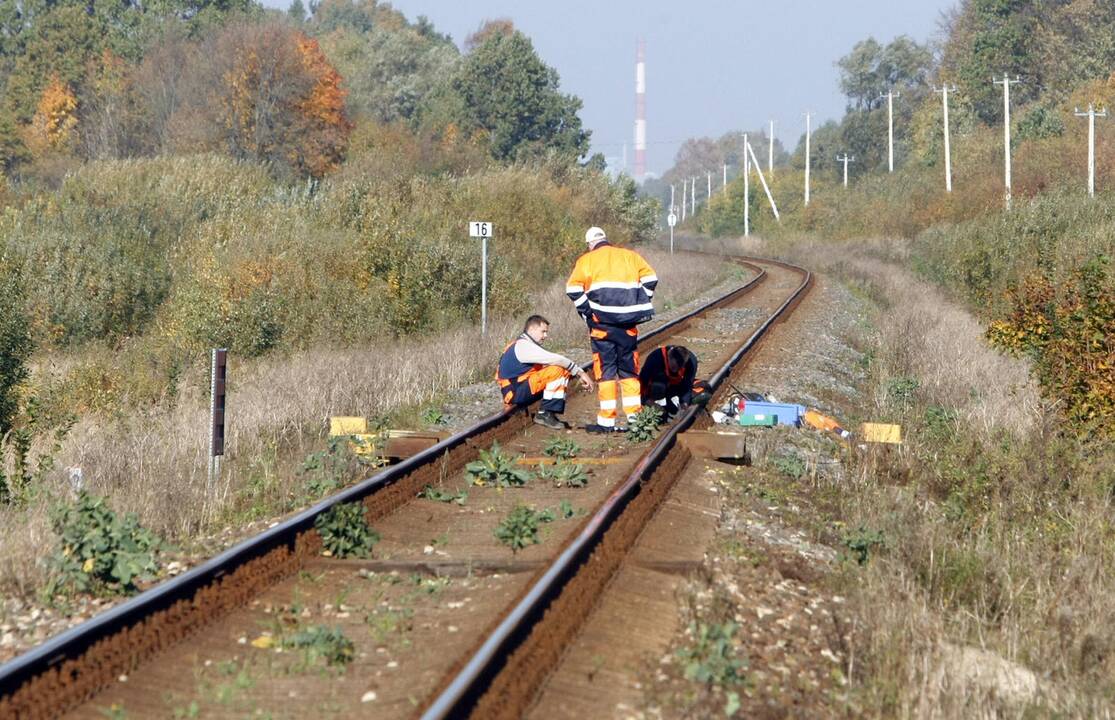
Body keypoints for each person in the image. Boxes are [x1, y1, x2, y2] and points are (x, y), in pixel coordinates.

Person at [566, 226, 657, 433]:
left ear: (590, 244)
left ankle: (606, 422)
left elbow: (572, 289)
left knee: (606, 371)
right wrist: (639, 302)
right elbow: (651, 280)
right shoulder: (630, 256)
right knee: (629, 370)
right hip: (627, 325)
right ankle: (636, 419)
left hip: (601, 326)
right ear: (605, 239)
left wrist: (587, 311)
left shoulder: (586, 260)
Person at [496, 315, 594, 429]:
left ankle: (547, 411)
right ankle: (545, 414)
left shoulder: (524, 344)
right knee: (558, 370)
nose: (545, 336)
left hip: (517, 389)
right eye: (543, 332)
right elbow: (557, 359)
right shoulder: (524, 346)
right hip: (515, 392)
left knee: (561, 369)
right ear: (532, 329)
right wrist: (580, 373)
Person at [639, 345, 709, 419]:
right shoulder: (655, 359)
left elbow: (687, 385)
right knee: (658, 387)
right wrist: (648, 401)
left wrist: (684, 405)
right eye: (673, 367)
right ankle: (661, 406)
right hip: (660, 386)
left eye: (679, 368)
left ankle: (671, 408)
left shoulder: (691, 362)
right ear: (669, 356)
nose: (676, 370)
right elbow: (641, 384)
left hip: (677, 386)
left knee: (702, 392)